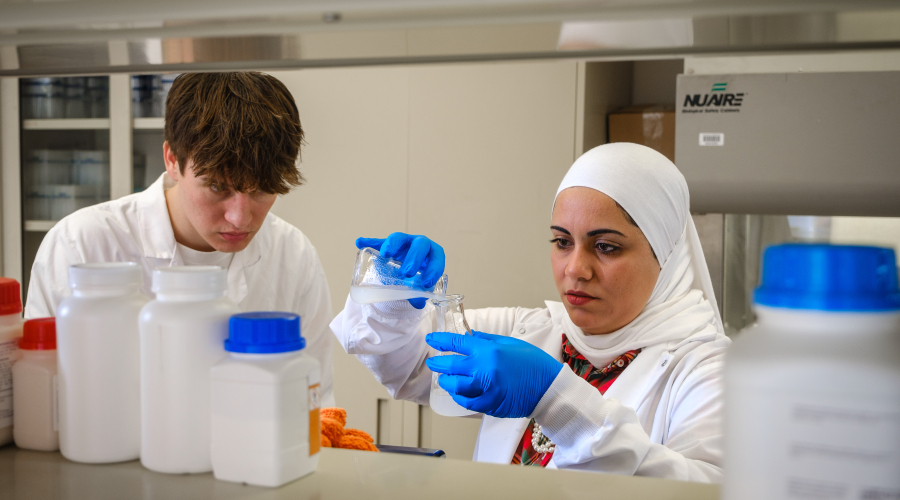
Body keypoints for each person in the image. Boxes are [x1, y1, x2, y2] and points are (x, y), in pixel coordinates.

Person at [330, 142, 730, 481]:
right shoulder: (532, 330)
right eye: (561, 241)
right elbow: (410, 367)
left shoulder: (709, 368)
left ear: (668, 254)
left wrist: (556, 401)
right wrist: (395, 293)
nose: (575, 269)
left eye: (606, 246)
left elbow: (705, 488)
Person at [26, 72, 335, 406]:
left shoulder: (293, 255)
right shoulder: (81, 245)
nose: (240, 218)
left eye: (262, 189)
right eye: (218, 187)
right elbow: (42, 402)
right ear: (173, 159)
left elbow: (314, 405)